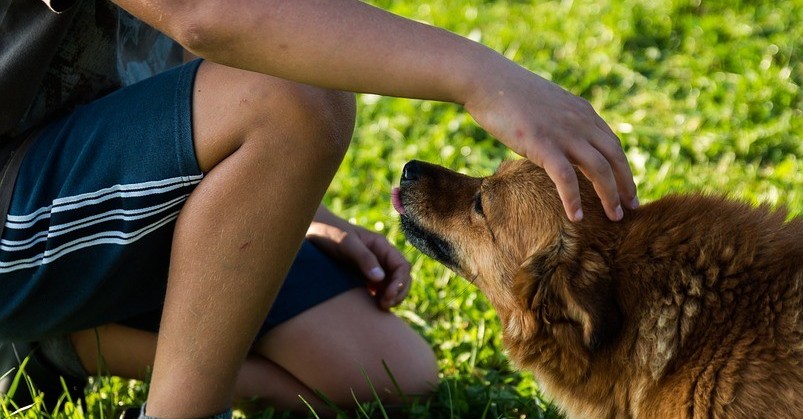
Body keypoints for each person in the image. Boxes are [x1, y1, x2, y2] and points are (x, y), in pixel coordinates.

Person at [0, 0, 639, 417]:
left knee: (384, 372)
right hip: (13, 191)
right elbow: (203, 12)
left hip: (104, 175)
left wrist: (283, 203)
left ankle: (62, 343)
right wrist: (482, 77)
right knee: (298, 99)